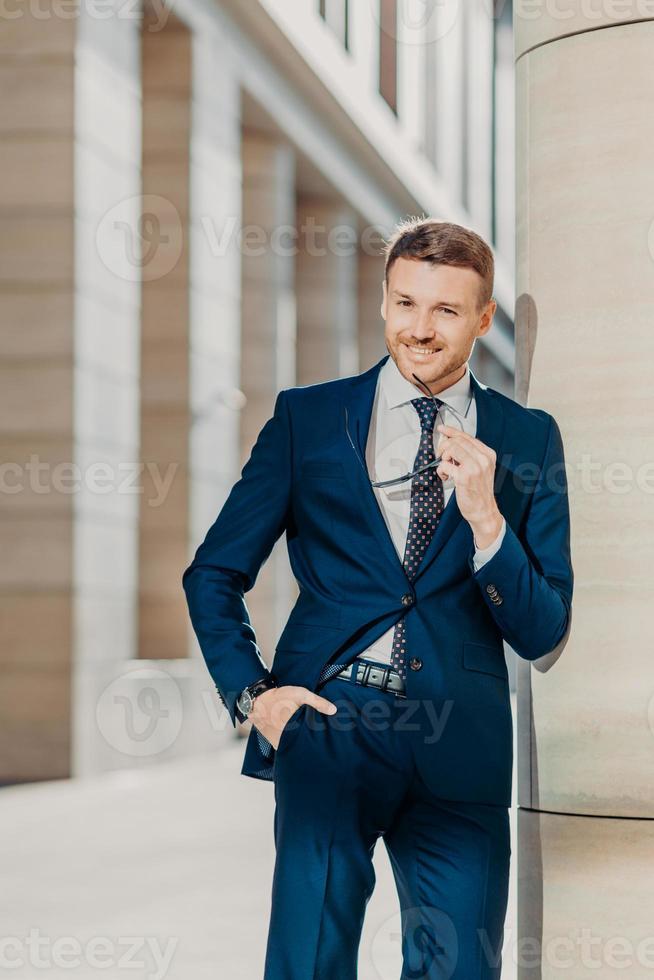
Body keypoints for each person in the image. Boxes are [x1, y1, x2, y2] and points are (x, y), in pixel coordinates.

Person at [182, 217, 574, 979]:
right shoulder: (308, 418)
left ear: (484, 317)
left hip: (462, 738)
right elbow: (214, 574)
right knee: (309, 963)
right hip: (329, 723)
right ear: (384, 301)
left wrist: (488, 519)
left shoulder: (527, 440)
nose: (419, 330)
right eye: (404, 304)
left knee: (459, 968)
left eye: (446, 311)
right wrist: (254, 698)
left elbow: (542, 627)